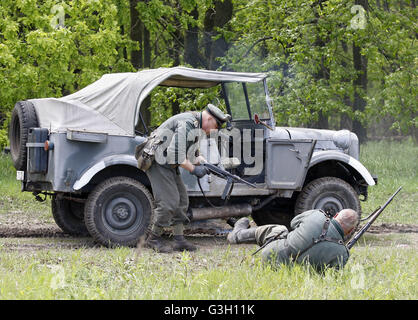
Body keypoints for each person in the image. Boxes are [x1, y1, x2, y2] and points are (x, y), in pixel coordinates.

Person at [141, 104, 231, 253]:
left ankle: (178, 240)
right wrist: (194, 169)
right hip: (159, 162)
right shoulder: (188, 123)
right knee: (168, 202)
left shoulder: (195, 125)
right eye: (215, 126)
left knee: (182, 200)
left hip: (169, 164)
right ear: (208, 119)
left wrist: (201, 161)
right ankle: (153, 238)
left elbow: (189, 151)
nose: (214, 131)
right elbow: (174, 155)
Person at [227, 209, 359, 271]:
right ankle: (237, 235)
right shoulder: (342, 253)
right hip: (291, 274)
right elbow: (330, 275)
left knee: (281, 230)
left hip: (270, 255)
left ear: (336, 215)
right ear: (350, 231)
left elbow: (294, 222)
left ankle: (237, 235)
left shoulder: (317, 215)